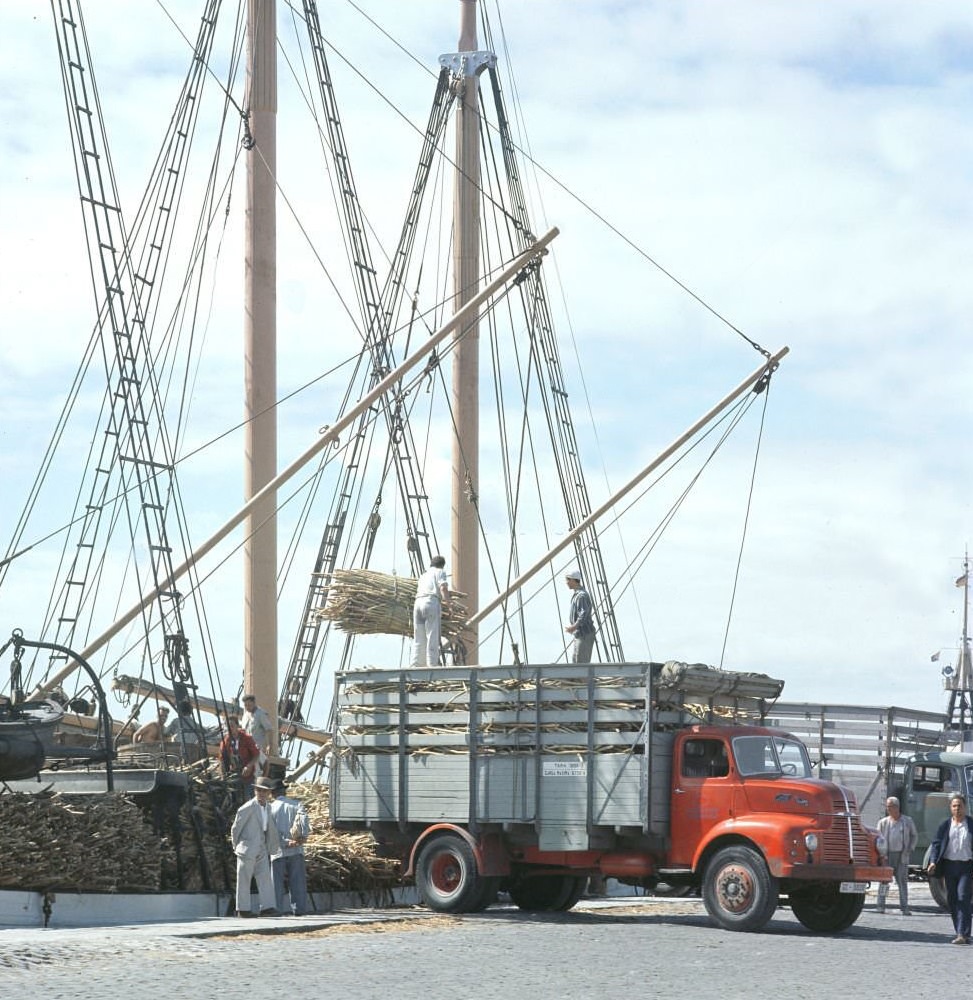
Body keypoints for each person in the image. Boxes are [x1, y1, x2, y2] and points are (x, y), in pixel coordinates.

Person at [229, 775, 281, 917]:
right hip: (246, 848)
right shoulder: (247, 808)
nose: (262, 793)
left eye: (264, 791)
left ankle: (267, 907)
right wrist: (237, 847)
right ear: (255, 791)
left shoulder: (268, 808)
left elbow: (268, 827)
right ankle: (243, 910)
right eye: (259, 790)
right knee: (244, 879)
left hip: (261, 847)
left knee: (265, 878)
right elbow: (235, 829)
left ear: (269, 792)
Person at [927, 791, 973, 944]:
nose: (957, 809)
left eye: (959, 806)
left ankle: (963, 934)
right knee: (952, 900)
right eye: (954, 806)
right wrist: (933, 861)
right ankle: (959, 931)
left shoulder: (970, 824)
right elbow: (936, 844)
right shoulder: (946, 825)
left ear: (965, 807)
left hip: (966, 866)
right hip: (949, 866)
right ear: (950, 808)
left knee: (963, 897)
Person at [269, 778, 310, 916]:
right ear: (284, 791)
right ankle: (299, 910)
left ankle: (277, 910)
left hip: (278, 851)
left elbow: (270, 833)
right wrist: (301, 838)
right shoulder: (297, 805)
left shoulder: (270, 809)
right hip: (296, 849)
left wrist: (286, 843)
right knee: (297, 882)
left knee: (276, 884)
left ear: (272, 793)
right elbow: (304, 822)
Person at [876, 795, 918, 914]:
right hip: (887, 856)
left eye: (890, 806)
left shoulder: (907, 821)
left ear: (897, 807)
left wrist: (910, 848)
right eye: (887, 806)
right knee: (884, 882)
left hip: (901, 856)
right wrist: (881, 855)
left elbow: (914, 835)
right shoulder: (883, 822)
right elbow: (877, 839)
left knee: (902, 882)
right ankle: (880, 905)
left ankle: (904, 907)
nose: (888, 809)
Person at [411, 555, 449, 667]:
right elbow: (443, 588)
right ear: (442, 565)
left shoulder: (423, 575)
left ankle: (416, 664)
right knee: (432, 635)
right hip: (430, 602)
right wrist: (449, 604)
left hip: (417, 603)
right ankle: (432, 664)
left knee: (419, 636)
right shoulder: (440, 571)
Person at [218, 714, 260, 799]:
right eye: (228, 726)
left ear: (237, 725)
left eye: (232, 726)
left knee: (248, 799)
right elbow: (222, 759)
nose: (230, 728)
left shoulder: (247, 738)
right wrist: (223, 776)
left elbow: (256, 754)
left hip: (247, 776)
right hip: (233, 775)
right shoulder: (225, 741)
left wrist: (249, 766)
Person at [563, 569, 595, 663]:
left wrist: (574, 626)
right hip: (580, 634)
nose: (567, 582)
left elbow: (583, 614)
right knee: (576, 662)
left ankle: (582, 678)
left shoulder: (581, 596)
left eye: (568, 579)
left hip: (584, 634)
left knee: (581, 664)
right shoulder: (578, 595)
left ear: (574, 580)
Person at [241, 693, 273, 774]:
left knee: (257, 771)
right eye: (245, 705)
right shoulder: (245, 715)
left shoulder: (261, 714)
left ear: (254, 703)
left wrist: (269, 745)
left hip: (257, 748)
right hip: (246, 748)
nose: (247, 707)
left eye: (249, 705)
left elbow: (269, 729)